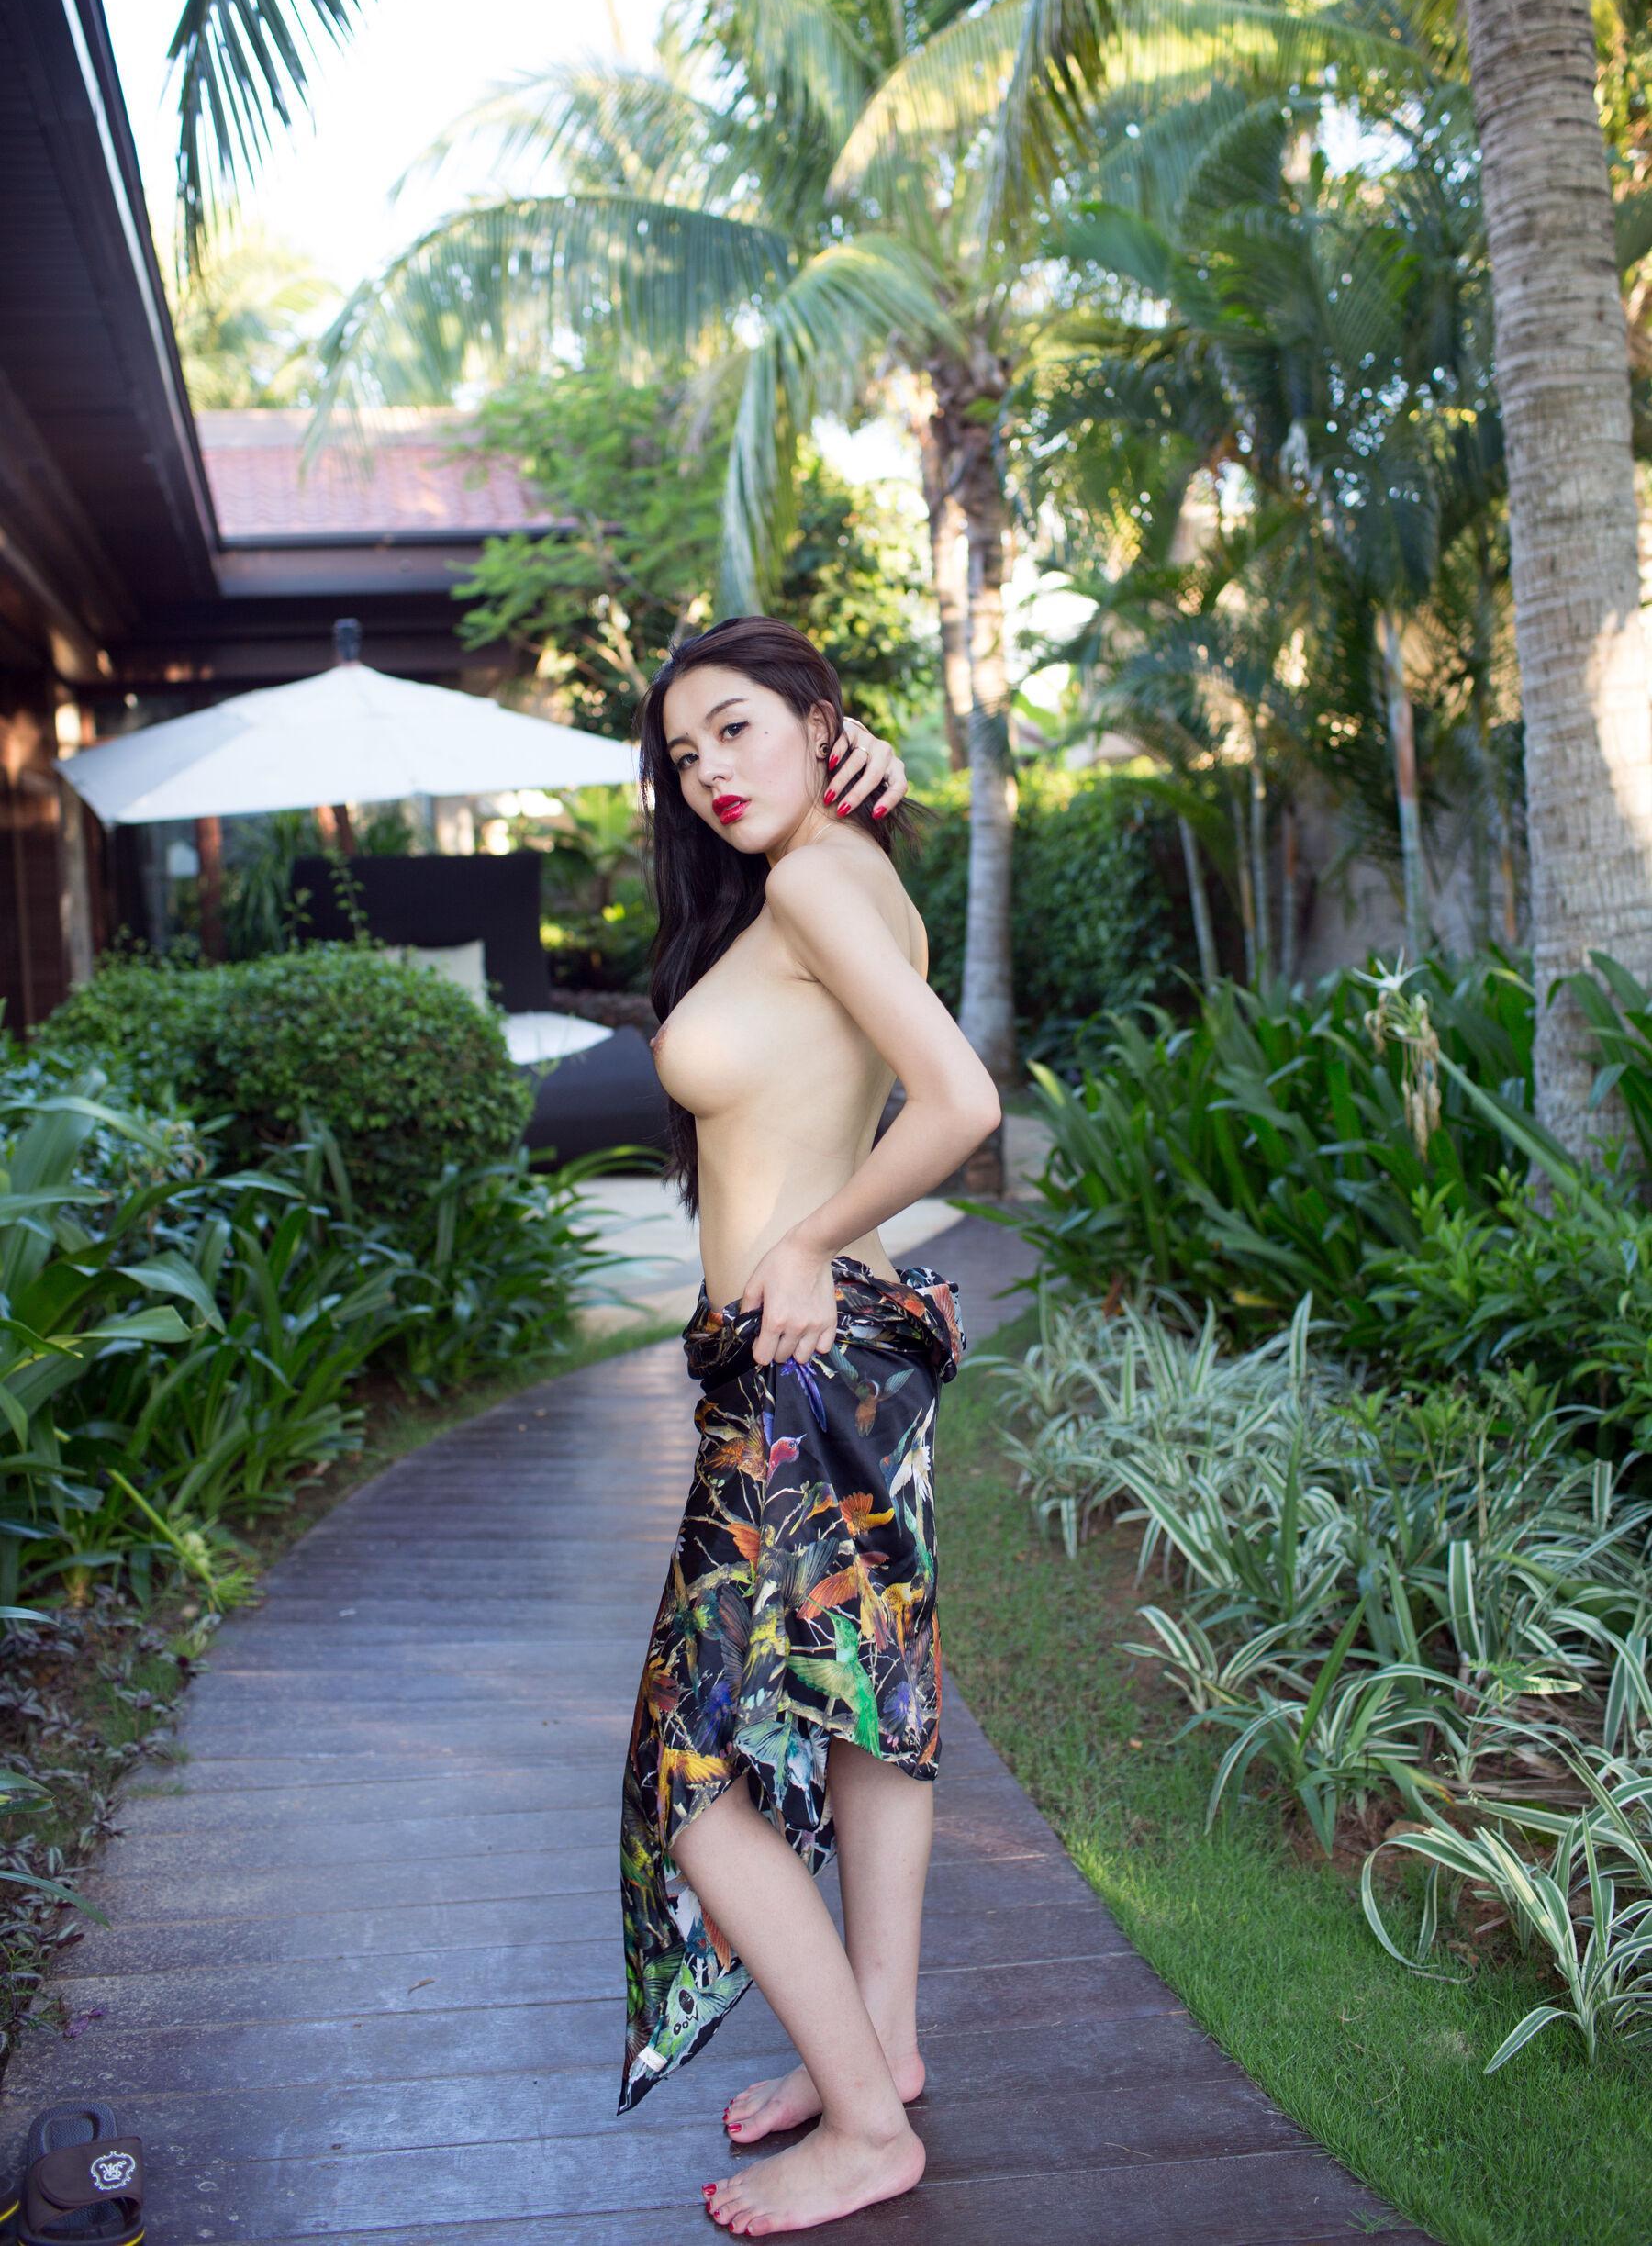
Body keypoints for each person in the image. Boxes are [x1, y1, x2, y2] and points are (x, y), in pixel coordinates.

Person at [615, 617, 1002, 2237]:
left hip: (800, 1369)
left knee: (687, 1767)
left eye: (737, 728)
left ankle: (861, 2126)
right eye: (682, 754)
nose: (708, 770)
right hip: (836, 1368)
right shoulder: (846, 873)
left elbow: (964, 1102)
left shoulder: (819, 885)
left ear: (819, 721)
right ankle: (880, 2049)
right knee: (866, 1712)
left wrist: (803, 1242)